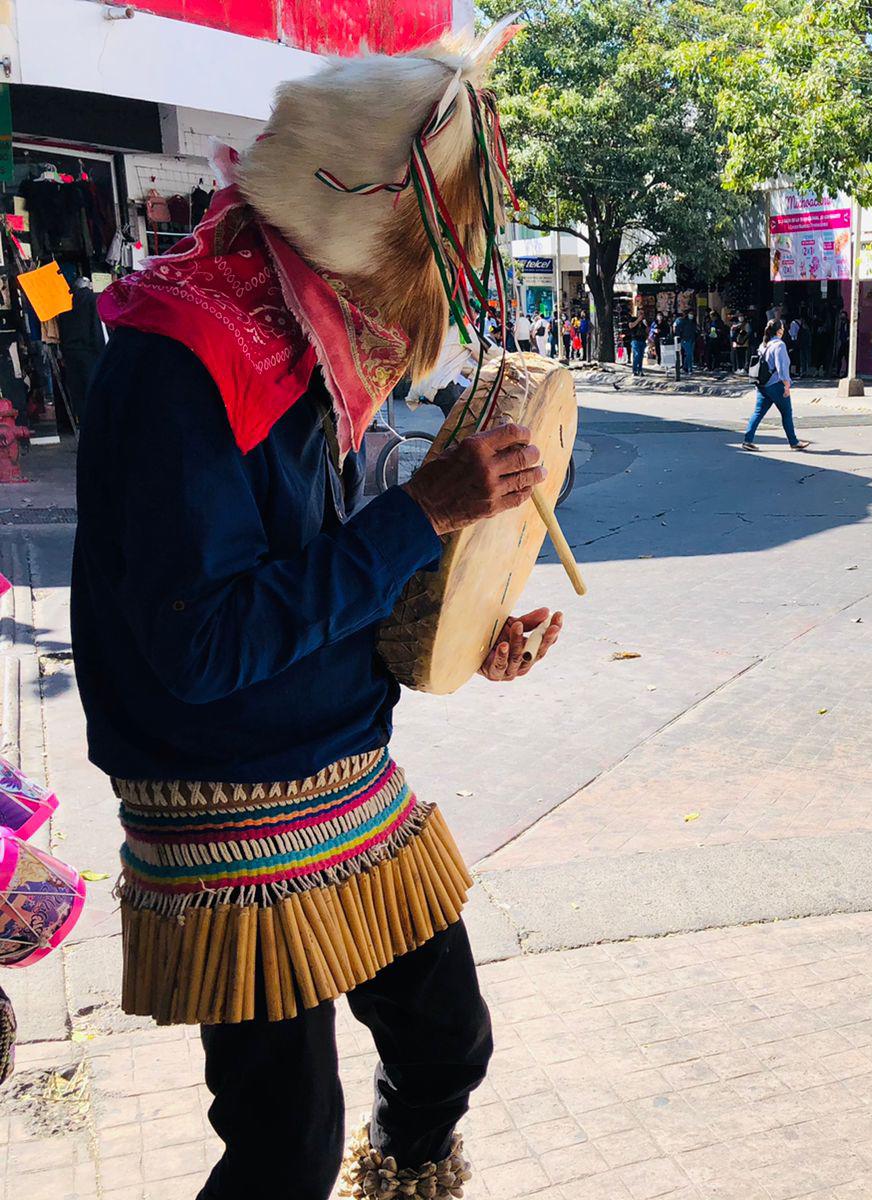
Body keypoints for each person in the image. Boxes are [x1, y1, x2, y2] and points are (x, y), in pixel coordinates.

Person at [78, 24, 567, 1199]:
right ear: (372, 215)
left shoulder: (321, 328)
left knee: (450, 1042)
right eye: (436, 233)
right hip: (226, 801)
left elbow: (327, 565)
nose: (446, 270)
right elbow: (205, 647)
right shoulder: (185, 353)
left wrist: (450, 619)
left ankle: (404, 1180)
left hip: (345, 772)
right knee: (283, 1145)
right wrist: (423, 517)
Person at [743, 319, 809, 451]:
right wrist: (787, 385)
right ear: (780, 331)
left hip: (762, 385)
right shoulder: (779, 345)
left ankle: (747, 440)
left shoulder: (763, 345)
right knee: (786, 413)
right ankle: (793, 441)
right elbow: (782, 368)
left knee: (758, 413)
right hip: (775, 384)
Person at [673, 309, 698, 375]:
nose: (691, 315)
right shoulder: (682, 321)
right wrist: (678, 337)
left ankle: (685, 367)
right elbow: (676, 328)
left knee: (689, 354)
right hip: (684, 339)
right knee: (689, 353)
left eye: (692, 314)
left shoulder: (693, 322)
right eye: (690, 313)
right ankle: (690, 368)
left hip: (692, 339)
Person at [626, 311, 649, 377]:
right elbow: (631, 326)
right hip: (635, 339)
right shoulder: (633, 319)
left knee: (641, 356)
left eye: (642, 313)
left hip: (642, 340)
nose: (641, 315)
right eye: (640, 313)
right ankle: (634, 370)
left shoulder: (644, 322)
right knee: (637, 354)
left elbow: (647, 331)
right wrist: (638, 320)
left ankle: (640, 370)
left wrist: (646, 325)